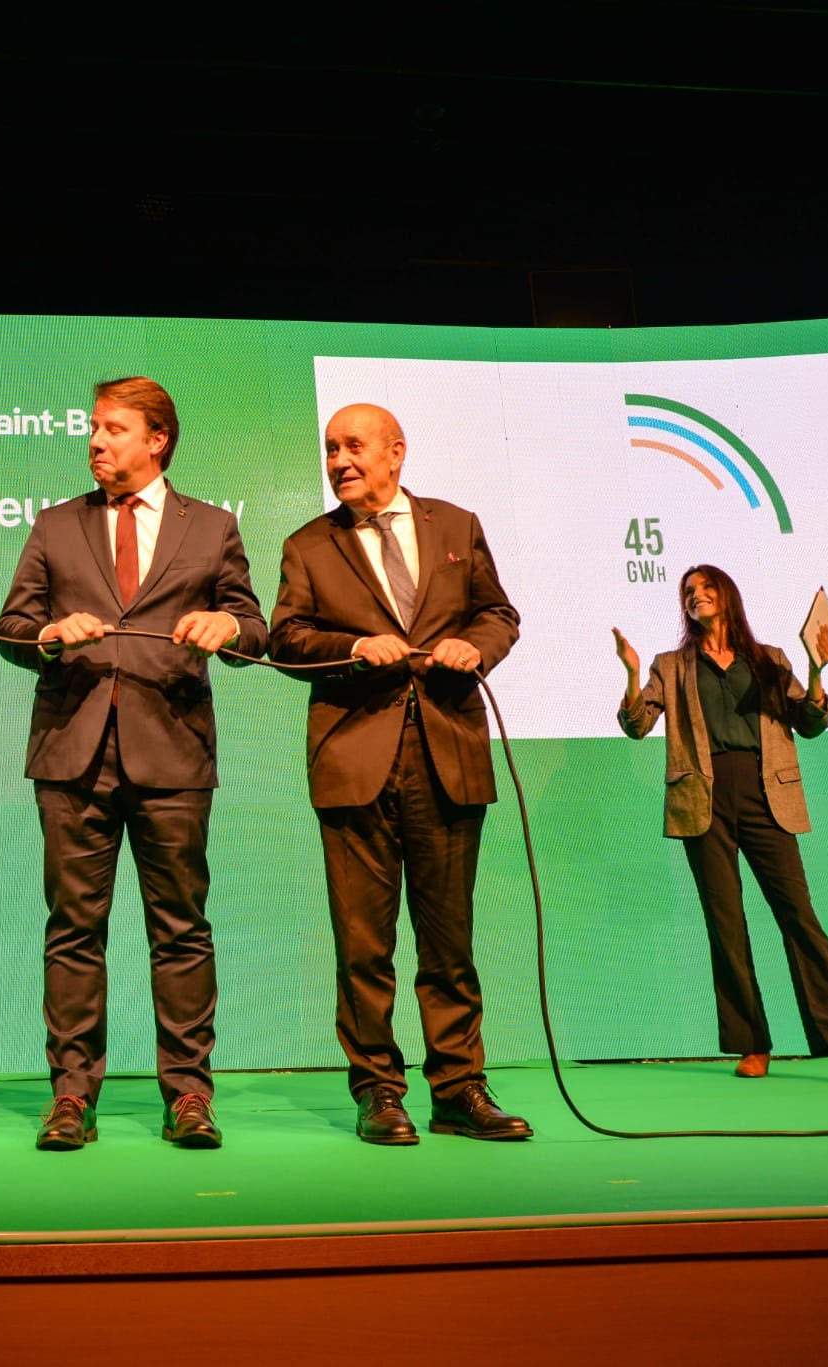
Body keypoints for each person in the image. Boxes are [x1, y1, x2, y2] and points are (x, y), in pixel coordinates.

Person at [0, 376, 265, 1151]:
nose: (95, 441)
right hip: (72, 752)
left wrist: (227, 625)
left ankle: (187, 1093)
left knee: (180, 929)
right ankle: (72, 1094)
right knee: (73, 929)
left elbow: (254, 627)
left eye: (113, 428)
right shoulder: (55, 524)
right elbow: (13, 625)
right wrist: (49, 634)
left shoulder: (211, 528)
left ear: (158, 439)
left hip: (173, 752)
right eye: (92, 428)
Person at [267, 402, 531, 1144]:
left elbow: (499, 613)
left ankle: (458, 1087)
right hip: (355, 762)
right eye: (330, 449)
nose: (339, 460)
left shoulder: (456, 525)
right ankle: (379, 1090)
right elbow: (286, 638)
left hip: (447, 756)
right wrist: (352, 648)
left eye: (353, 446)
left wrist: (474, 647)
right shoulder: (308, 544)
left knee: (449, 940)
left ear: (396, 453)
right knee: (364, 945)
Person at [614, 565, 828, 1081]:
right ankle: (752, 1042)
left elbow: (810, 722)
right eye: (689, 592)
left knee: (797, 911)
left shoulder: (770, 659)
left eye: (706, 589)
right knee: (725, 923)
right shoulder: (672, 664)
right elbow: (638, 725)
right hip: (702, 799)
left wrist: (818, 671)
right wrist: (632, 673)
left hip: (765, 793)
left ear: (727, 597)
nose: (696, 597)